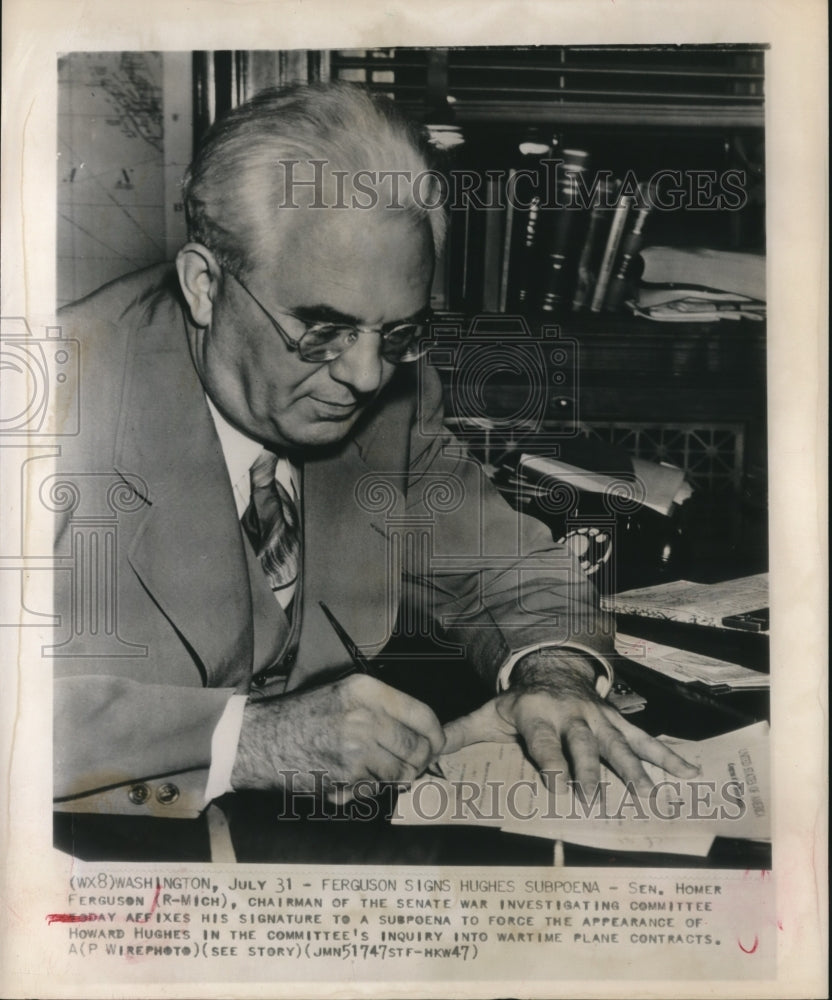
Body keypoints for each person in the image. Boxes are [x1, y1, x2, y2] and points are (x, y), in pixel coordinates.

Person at [52, 83, 695, 855]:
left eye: (398, 332)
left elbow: (508, 569)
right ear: (204, 284)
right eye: (323, 328)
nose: (363, 374)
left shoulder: (389, 388)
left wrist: (550, 676)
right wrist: (247, 744)